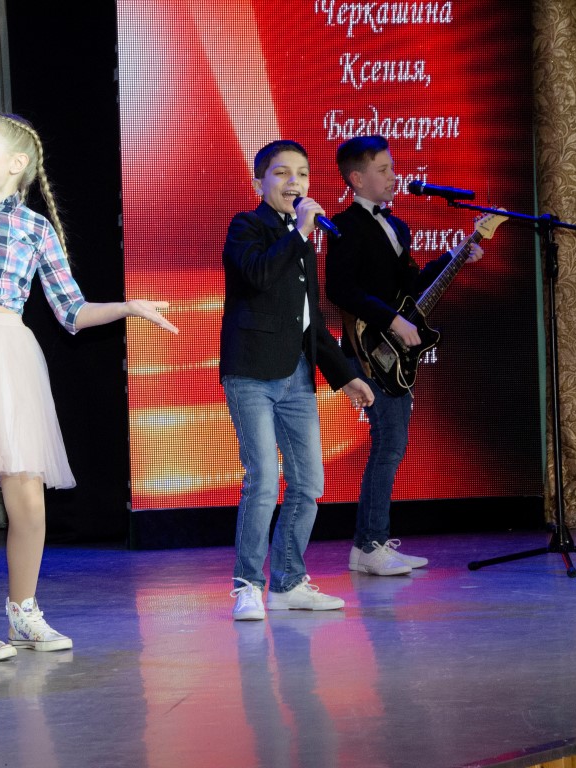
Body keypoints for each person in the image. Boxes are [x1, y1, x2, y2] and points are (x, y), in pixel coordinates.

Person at [0, 113, 178, 662]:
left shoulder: (36, 229)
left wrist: (128, 307)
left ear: (16, 164)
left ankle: (23, 612)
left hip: (10, 352)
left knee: (27, 493)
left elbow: (71, 311)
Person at [220, 139, 375, 621]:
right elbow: (257, 275)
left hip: (297, 376)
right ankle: (248, 585)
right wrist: (301, 232)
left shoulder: (301, 241)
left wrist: (345, 376)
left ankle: (288, 582)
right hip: (251, 373)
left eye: (303, 173)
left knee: (308, 483)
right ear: (258, 183)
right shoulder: (247, 227)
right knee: (264, 481)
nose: (295, 182)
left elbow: (310, 321)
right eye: (282, 173)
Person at [324, 134, 482, 576]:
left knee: (391, 444)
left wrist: (455, 256)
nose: (394, 176)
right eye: (384, 170)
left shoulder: (398, 227)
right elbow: (341, 289)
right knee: (389, 443)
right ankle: (369, 546)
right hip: (367, 351)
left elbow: (412, 289)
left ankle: (369, 545)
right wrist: (392, 321)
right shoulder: (344, 225)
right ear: (357, 179)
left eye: (392, 168)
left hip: (392, 353)